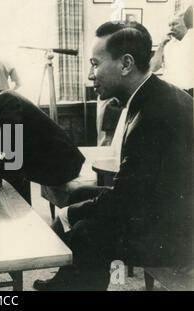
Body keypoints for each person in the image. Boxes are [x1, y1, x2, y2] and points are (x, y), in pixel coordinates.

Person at [34, 21, 193, 291]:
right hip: (162, 209)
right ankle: (68, 280)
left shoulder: (156, 115)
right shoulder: (154, 96)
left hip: (177, 235)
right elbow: (137, 190)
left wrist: (70, 214)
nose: (90, 75)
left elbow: (128, 203)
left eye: (95, 64)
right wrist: (77, 205)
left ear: (126, 64)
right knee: (79, 195)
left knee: (87, 231)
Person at [0, 82, 85, 204]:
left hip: (64, 163)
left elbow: (10, 142)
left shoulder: (6, 101)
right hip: (52, 159)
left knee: (9, 168)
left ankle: (17, 211)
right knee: (5, 168)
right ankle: (14, 210)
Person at [150, 13, 193, 95]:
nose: (171, 28)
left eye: (175, 24)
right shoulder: (168, 44)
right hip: (170, 90)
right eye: (169, 25)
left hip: (188, 91)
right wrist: (161, 45)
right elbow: (153, 68)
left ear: (186, 24)